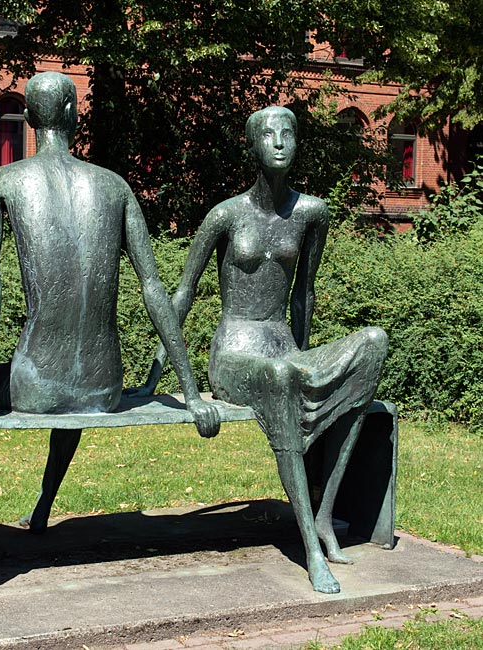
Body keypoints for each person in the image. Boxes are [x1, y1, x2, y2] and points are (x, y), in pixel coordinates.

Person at [0, 71, 219, 532]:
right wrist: (192, 392)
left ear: (26, 118)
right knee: (73, 395)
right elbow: (154, 289)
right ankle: (44, 506)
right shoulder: (114, 185)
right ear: (73, 113)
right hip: (103, 387)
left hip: (35, 387)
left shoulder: (2, 182)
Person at [139, 106, 388, 593]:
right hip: (234, 355)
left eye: (288, 133)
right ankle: (312, 554)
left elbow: (304, 295)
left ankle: (324, 513)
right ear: (251, 146)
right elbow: (183, 294)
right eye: (267, 134)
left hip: (282, 350)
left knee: (374, 344)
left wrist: (308, 360)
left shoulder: (312, 213)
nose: (278, 142)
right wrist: (158, 374)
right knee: (279, 379)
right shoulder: (226, 216)